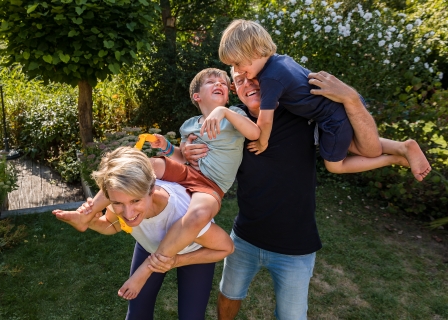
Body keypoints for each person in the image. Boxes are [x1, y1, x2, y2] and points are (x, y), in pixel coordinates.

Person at [175, 68, 427, 320]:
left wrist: (395, 152)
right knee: (228, 295)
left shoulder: (297, 113)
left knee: (292, 316)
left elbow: (349, 141)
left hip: (295, 246)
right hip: (245, 236)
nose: (249, 84)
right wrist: (185, 150)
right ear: (235, 91)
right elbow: (198, 145)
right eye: (239, 82)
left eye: (254, 78)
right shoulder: (233, 122)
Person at [54, 68, 260, 300]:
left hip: (210, 185)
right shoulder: (189, 125)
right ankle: (88, 213)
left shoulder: (233, 113)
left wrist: (223, 112)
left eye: (223, 82)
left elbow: (255, 132)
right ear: (197, 96)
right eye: (211, 81)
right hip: (186, 174)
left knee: (196, 216)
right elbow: (181, 158)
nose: (220, 83)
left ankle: (148, 267)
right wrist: (168, 149)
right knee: (145, 165)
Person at [218, 19, 431, 181]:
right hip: (333, 109)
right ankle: (403, 148)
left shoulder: (270, 78)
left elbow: (265, 120)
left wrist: (262, 141)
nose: (238, 71)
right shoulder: (281, 62)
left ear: (254, 51)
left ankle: (395, 156)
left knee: (337, 165)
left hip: (331, 118)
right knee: (357, 147)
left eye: (237, 64)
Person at [54, 146, 234, 320]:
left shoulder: (181, 213)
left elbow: (226, 248)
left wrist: (176, 261)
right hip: (149, 247)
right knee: (136, 314)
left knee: (191, 317)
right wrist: (92, 221)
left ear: (152, 190)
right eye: (118, 203)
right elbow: (112, 224)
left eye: (135, 201)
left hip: (193, 252)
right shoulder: (119, 196)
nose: (128, 214)